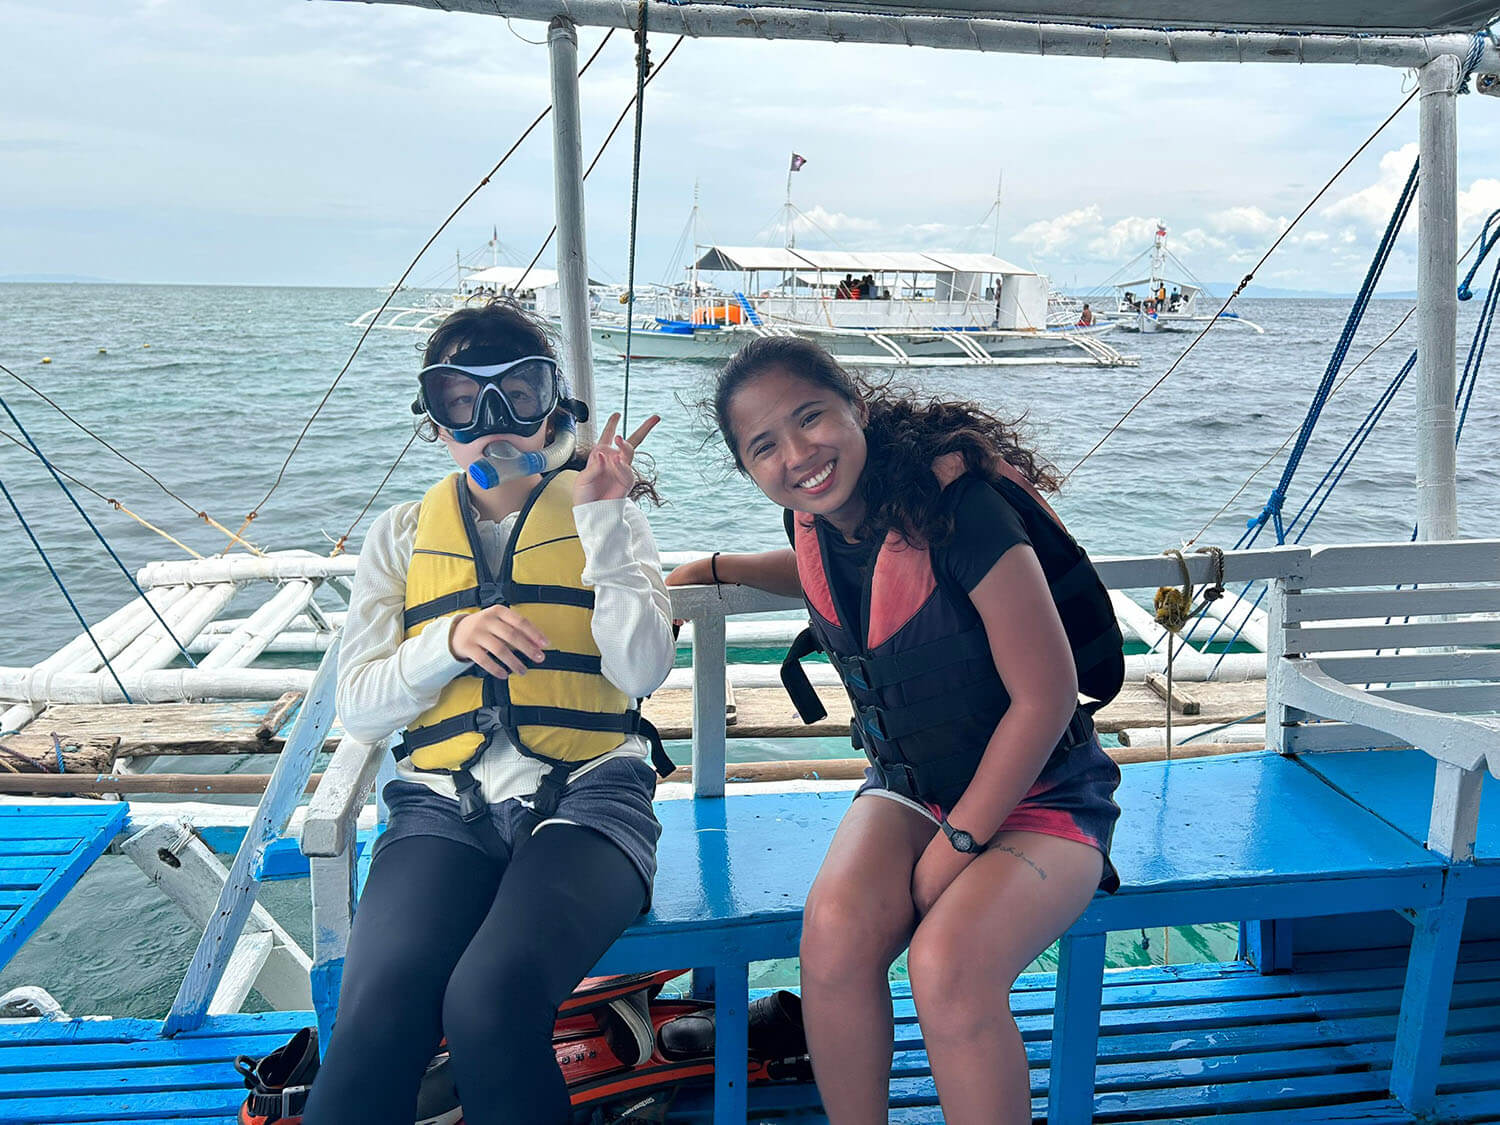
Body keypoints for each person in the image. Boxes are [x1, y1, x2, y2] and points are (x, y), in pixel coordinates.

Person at [668, 337, 1123, 1125]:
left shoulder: (963, 511)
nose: (798, 454)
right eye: (765, 446)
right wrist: (711, 567)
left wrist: (960, 842)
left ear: (856, 405)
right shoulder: (817, 516)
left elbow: (1046, 696)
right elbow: (829, 563)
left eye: (810, 418)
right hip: (913, 784)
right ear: (748, 467)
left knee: (947, 966)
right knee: (832, 936)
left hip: (1047, 795)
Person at [303, 300, 674, 1125]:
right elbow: (360, 708)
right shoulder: (401, 536)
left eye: (518, 392)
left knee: (487, 1001)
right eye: (463, 401)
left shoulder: (607, 513)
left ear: (553, 405)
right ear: (435, 420)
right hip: (443, 810)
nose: (493, 423)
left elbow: (643, 668)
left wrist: (605, 521)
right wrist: (450, 639)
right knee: (377, 1016)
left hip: (589, 801)